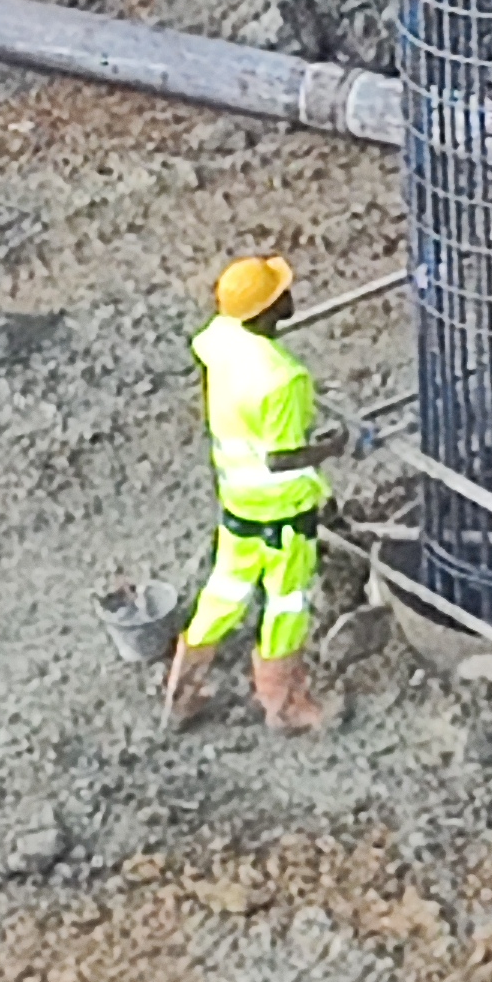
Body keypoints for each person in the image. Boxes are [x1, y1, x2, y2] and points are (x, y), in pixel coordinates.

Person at [167, 253, 340, 735]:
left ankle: (182, 692)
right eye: (280, 292)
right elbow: (282, 457)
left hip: (237, 500)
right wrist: (333, 445)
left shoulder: (221, 340)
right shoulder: (281, 378)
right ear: (267, 310)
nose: (289, 295)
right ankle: (282, 705)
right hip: (283, 512)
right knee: (286, 605)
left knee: (223, 594)